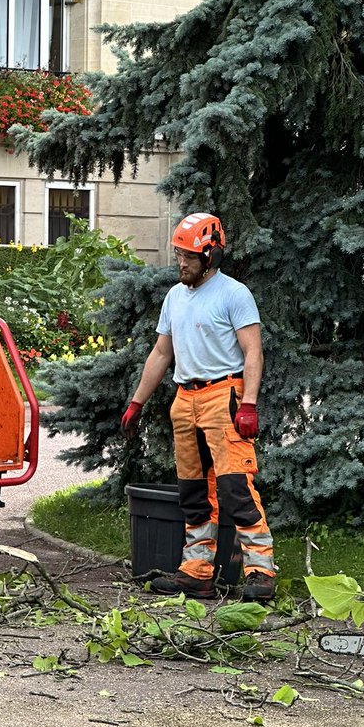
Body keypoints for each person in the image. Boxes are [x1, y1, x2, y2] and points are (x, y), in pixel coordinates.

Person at [120, 213, 276, 602]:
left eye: (188, 256)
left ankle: (261, 572)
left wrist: (250, 404)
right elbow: (161, 353)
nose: (181, 262)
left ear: (210, 256)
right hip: (184, 399)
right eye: (178, 255)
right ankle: (197, 572)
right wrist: (137, 402)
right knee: (192, 491)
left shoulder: (233, 294)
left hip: (224, 397)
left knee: (235, 487)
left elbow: (253, 352)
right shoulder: (175, 297)